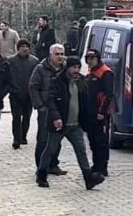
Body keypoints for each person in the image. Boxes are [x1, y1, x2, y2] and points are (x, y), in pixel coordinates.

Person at [39, 57, 104, 190]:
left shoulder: (81, 81)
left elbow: (84, 101)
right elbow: (50, 101)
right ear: (67, 68)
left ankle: (88, 177)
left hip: (75, 125)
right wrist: (56, 117)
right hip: (60, 125)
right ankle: (41, 173)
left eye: (78, 67)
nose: (76, 70)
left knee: (81, 150)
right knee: (50, 149)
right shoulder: (56, 81)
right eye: (74, 67)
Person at [30, 44, 67, 177]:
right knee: (43, 138)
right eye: (57, 54)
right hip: (45, 109)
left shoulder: (65, 69)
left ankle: (53, 164)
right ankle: (41, 166)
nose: (60, 57)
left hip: (60, 109)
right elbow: (33, 87)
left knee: (57, 138)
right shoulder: (40, 69)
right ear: (51, 55)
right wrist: (40, 105)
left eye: (62, 54)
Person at [84, 49, 114, 177]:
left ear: (98, 58)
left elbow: (109, 94)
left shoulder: (105, 72)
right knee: (92, 140)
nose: (89, 61)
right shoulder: (90, 73)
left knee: (101, 140)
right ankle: (96, 164)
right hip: (90, 112)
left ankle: (103, 166)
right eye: (88, 58)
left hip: (101, 113)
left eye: (92, 58)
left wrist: (102, 112)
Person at [7, 39, 39, 149]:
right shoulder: (11, 61)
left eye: (27, 46)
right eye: (22, 46)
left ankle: (23, 136)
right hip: (15, 93)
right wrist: (11, 87)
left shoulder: (34, 61)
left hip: (29, 94)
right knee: (16, 116)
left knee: (26, 116)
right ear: (18, 48)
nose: (25, 49)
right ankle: (16, 138)